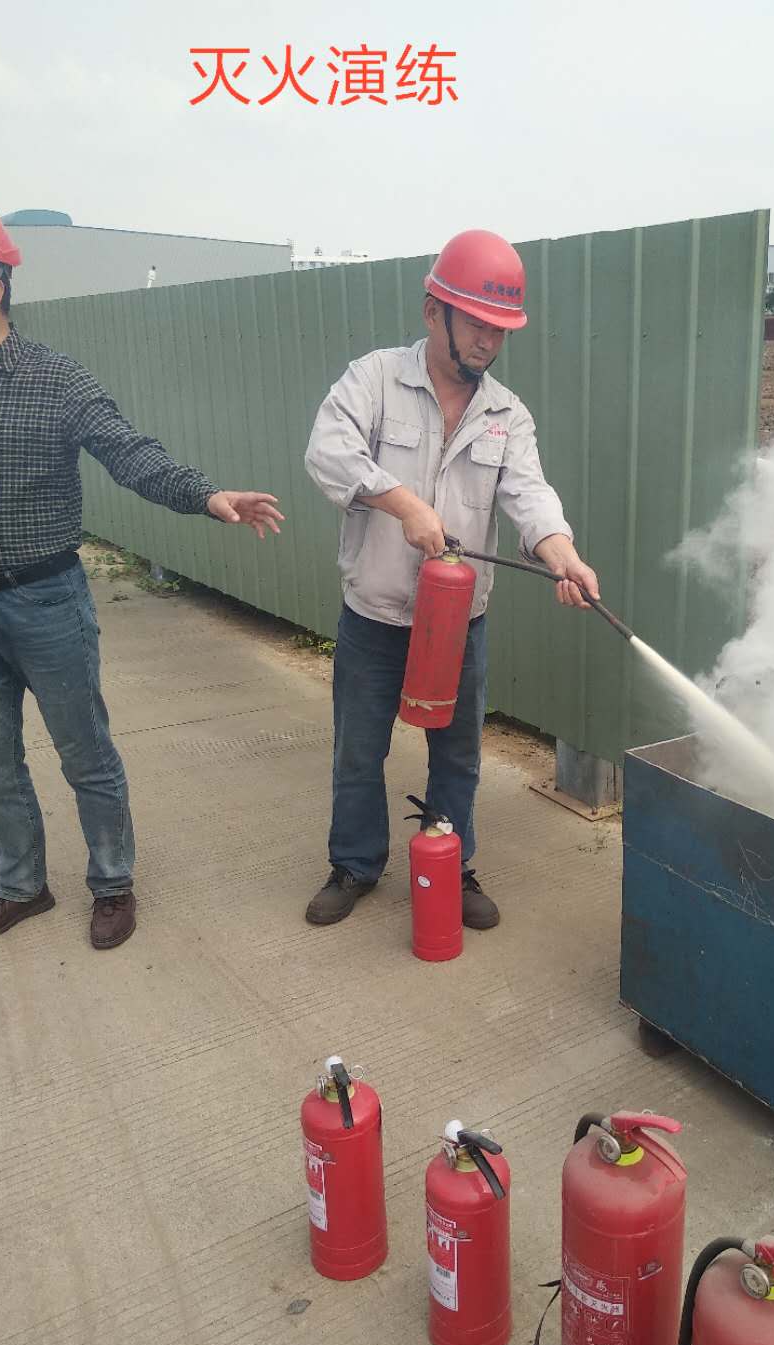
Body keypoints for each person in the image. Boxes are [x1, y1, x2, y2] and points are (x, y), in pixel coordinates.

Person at [0, 207, 285, 949]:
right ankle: (22, 886)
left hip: (46, 602)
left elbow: (128, 451)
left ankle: (112, 883)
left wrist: (205, 496)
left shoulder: (55, 379)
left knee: (84, 751)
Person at [304, 229, 600, 932]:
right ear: (434, 310)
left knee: (458, 754)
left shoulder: (506, 413)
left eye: (500, 330)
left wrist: (561, 552)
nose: (488, 342)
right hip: (376, 616)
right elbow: (328, 452)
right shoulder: (375, 379)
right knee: (359, 752)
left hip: (459, 625)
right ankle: (355, 865)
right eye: (477, 324)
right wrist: (403, 503)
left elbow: (528, 493)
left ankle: (451, 863)